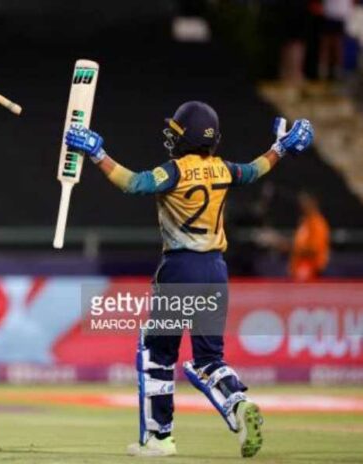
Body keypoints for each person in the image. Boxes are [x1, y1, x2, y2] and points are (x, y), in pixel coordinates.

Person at [65, 103, 314, 457]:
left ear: (189, 137)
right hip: (215, 270)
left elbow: (135, 184)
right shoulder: (223, 169)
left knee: (157, 353)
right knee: (209, 359)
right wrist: (282, 147)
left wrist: (97, 153)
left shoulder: (176, 171)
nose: (171, 137)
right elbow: (256, 169)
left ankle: (159, 438)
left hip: (181, 270)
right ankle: (238, 404)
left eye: (177, 132)